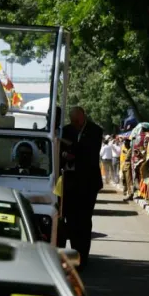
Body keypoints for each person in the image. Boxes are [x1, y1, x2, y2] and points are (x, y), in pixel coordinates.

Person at [59, 106, 103, 271]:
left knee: (84, 220)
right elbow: (60, 149)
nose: (75, 124)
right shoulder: (66, 130)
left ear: (83, 117)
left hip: (88, 183)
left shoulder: (95, 131)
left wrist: (72, 151)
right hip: (69, 182)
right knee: (69, 219)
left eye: (78, 121)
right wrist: (66, 154)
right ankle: (69, 254)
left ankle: (82, 257)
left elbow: (89, 152)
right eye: (73, 121)